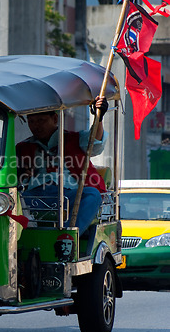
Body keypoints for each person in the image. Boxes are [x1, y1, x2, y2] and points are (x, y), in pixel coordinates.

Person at [16, 96, 108, 235]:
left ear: (55, 119)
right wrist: (20, 173)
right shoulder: (23, 147)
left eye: (41, 120)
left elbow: (96, 144)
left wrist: (98, 117)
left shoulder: (75, 139)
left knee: (92, 195)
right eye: (32, 121)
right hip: (34, 196)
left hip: (69, 194)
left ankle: (66, 236)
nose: (36, 126)